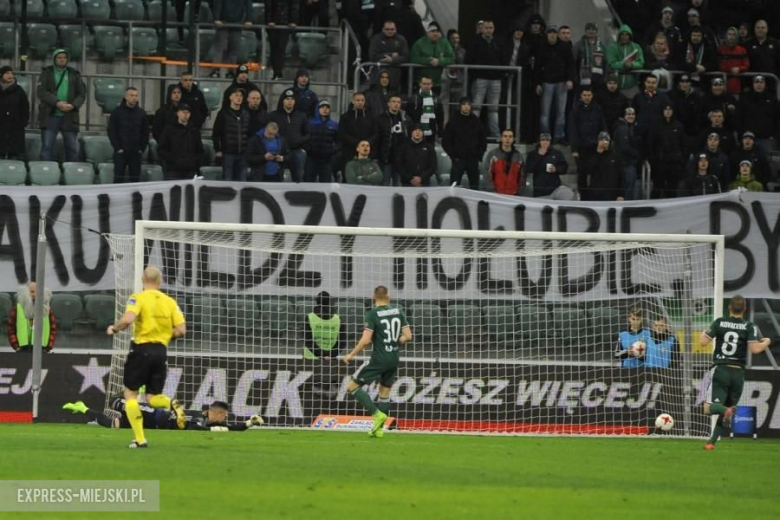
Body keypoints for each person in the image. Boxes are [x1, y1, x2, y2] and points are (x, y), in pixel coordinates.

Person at [106, 266, 187, 448]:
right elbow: (181, 330)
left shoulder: (138, 298)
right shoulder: (170, 302)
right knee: (152, 397)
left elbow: (127, 320)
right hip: (161, 351)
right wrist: (165, 336)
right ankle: (170, 403)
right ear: (160, 281)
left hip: (142, 349)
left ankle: (140, 439)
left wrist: (114, 328)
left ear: (143, 279)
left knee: (131, 394)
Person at [700, 295, 771, 449]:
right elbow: (755, 349)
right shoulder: (749, 326)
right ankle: (711, 444)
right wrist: (766, 342)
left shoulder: (719, 322)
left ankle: (725, 410)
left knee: (708, 408)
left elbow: (703, 342)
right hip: (738, 373)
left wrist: (703, 334)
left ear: (729, 308)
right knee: (729, 408)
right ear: (744, 309)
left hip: (721, 369)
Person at [341, 285, 411, 438]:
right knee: (384, 393)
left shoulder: (372, 314)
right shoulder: (398, 311)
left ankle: (376, 414)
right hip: (393, 357)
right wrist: (394, 342)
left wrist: (351, 354)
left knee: (351, 387)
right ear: (388, 297)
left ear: (374, 297)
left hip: (379, 358)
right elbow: (408, 336)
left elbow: (366, 340)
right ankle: (379, 430)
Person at [64, 397, 263, 431]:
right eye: (223, 416)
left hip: (153, 426)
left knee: (111, 425)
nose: (225, 419)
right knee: (117, 403)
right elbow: (192, 427)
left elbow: (233, 428)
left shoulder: (209, 425)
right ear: (214, 413)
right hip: (155, 415)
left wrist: (249, 423)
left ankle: (83, 408)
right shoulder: (198, 417)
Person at [37, 48, 86, 162]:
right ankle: (46, 174)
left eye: (64, 57)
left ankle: (71, 176)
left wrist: (73, 105)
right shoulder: (46, 73)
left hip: (69, 116)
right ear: (54, 59)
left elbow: (82, 94)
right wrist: (57, 103)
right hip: (50, 115)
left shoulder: (74, 74)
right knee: (47, 147)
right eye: (59, 57)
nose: (62, 60)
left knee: (72, 148)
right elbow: (41, 91)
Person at [534, 25, 575, 144]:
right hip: (546, 83)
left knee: (560, 112)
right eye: (550, 33)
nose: (552, 35)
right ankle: (545, 136)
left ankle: (558, 136)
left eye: (554, 33)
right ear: (547, 34)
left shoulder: (565, 47)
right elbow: (537, 67)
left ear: (557, 34)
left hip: (561, 83)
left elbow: (570, 65)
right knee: (545, 112)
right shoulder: (542, 47)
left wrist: (570, 79)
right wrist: (537, 83)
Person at [303, 291, 347, 395]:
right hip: (331, 360)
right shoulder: (339, 319)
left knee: (309, 398)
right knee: (330, 397)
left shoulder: (309, 317)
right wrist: (330, 354)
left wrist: (321, 354)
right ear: (330, 302)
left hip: (310, 359)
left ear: (316, 302)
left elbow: (308, 340)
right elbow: (342, 342)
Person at [467, 19, 504, 138]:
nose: (488, 30)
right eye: (486, 28)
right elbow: (469, 59)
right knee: (476, 107)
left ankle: (495, 134)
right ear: (482, 28)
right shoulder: (475, 42)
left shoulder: (498, 42)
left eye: (490, 28)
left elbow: (503, 59)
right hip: (480, 79)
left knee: (494, 109)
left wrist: (500, 74)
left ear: (494, 29)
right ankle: (472, 133)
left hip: (495, 79)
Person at [442, 96, 487, 190]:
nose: (466, 106)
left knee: (474, 188)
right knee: (454, 187)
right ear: (460, 106)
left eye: (468, 104)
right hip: (458, 160)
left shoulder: (477, 121)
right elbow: (446, 141)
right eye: (464, 104)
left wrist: (479, 156)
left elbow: (483, 140)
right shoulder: (453, 121)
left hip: (473, 160)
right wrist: (454, 156)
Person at [569, 86, 607, 195]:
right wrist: (574, 149)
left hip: (595, 147)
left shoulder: (597, 109)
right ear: (581, 96)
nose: (587, 97)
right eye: (584, 95)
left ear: (592, 96)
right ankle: (584, 196)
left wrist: (604, 141)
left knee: (597, 172)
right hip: (581, 147)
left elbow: (602, 126)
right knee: (582, 173)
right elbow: (572, 130)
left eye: (589, 95)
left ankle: (594, 195)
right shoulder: (575, 110)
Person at [108, 87, 149, 184]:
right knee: (118, 179)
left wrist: (141, 148)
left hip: (136, 152)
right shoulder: (116, 112)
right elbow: (111, 131)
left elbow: (145, 133)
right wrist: (117, 147)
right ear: (126, 97)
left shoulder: (142, 113)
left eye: (136, 95)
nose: (134, 98)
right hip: (121, 151)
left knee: (135, 180)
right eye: (132, 95)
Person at [269, 89, 309, 183]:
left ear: (295, 101)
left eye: (292, 99)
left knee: (298, 179)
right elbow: (268, 132)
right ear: (283, 100)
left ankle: (298, 197)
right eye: (287, 99)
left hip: (297, 151)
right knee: (277, 179)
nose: (289, 101)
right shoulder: (273, 116)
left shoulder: (302, 116)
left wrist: (301, 143)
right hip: (279, 152)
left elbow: (308, 133)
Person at [158, 103, 204, 180]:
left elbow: (199, 150)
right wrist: (172, 160)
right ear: (178, 113)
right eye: (183, 112)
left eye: (187, 112)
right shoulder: (169, 129)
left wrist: (193, 161)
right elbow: (162, 149)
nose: (185, 115)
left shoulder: (194, 130)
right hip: (172, 170)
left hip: (190, 170)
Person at [212, 87, 250, 181]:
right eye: (236, 95)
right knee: (227, 180)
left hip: (243, 154)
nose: (239, 98)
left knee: (242, 180)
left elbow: (248, 133)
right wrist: (218, 150)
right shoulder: (223, 114)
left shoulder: (246, 114)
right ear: (230, 97)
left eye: (241, 95)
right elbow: (216, 133)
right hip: (228, 153)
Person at [6, 282, 56, 353]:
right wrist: (16, 346)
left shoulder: (47, 309)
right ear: (26, 292)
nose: (34, 294)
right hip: (22, 349)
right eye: (32, 291)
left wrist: (48, 347)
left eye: (37, 291)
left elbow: (52, 329)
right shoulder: (18, 308)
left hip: (42, 349)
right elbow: (10, 328)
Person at [209, 0, 253, 78]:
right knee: (219, 48)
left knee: (234, 48)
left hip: (237, 23)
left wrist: (249, 19)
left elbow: (249, 5)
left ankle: (231, 71)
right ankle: (215, 70)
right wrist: (216, 18)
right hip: (222, 22)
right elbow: (216, 3)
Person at [737, 75, 780, 156]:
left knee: (767, 163)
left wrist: (774, 135)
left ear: (765, 84)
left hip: (766, 139)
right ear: (753, 84)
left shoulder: (772, 99)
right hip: (748, 138)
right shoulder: (745, 98)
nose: (759, 85)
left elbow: (777, 118)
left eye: (761, 82)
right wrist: (743, 133)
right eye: (756, 82)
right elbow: (738, 118)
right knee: (746, 163)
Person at [409, 21, 455, 94]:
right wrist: (428, 61)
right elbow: (413, 58)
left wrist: (439, 61)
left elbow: (452, 58)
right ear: (428, 32)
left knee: (435, 104)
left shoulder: (444, 43)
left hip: (436, 83)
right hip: (421, 83)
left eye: (437, 31)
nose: (435, 33)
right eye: (433, 31)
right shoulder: (419, 43)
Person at [377, 93, 412, 186]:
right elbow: (377, 138)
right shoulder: (380, 119)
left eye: (398, 102)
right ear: (388, 104)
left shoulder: (406, 120)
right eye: (393, 102)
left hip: (401, 159)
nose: (396, 104)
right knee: (384, 184)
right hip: (385, 158)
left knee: (398, 185)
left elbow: (409, 139)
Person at [525, 133, 572, 199]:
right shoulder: (532, 155)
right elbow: (529, 168)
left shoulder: (557, 153)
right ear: (539, 142)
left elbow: (564, 167)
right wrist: (539, 156)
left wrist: (556, 169)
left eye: (547, 140)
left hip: (555, 188)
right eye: (543, 140)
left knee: (568, 193)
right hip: (540, 191)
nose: (545, 142)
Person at [304, 99, 339, 182]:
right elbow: (304, 138)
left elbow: (339, 141)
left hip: (327, 159)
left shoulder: (334, 124)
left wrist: (333, 150)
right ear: (318, 109)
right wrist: (308, 148)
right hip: (312, 158)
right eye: (322, 107)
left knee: (326, 183)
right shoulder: (310, 123)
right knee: (308, 182)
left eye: (327, 107)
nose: (325, 109)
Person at [584, 132, 624, 201]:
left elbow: (621, 176)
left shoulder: (615, 156)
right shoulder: (592, 155)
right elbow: (589, 170)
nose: (604, 142)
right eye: (601, 140)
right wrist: (598, 153)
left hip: (612, 195)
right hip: (595, 195)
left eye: (606, 140)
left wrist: (620, 195)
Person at [368, 20, 409, 89]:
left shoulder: (401, 39)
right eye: (387, 29)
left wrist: (393, 60)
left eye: (392, 29)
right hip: (377, 75)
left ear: (396, 30)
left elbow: (406, 57)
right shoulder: (376, 39)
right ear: (383, 29)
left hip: (395, 77)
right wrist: (390, 54)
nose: (390, 31)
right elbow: (372, 56)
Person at [482, 128, 524, 195]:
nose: (507, 139)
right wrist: (492, 191)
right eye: (505, 136)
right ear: (501, 138)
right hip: (496, 195)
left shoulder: (519, 156)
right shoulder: (492, 154)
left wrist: (518, 192)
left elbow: (522, 176)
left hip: (514, 195)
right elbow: (486, 173)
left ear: (513, 139)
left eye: (510, 137)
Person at [0, 65, 29, 160]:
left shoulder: (19, 90)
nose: (10, 75)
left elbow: (25, 107)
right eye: (7, 73)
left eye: (11, 73)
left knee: (15, 153)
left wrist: (23, 122)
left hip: (16, 127)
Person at [606, 25, 645, 97]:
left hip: (632, 86)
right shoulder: (613, 47)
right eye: (622, 34)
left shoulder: (636, 47)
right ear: (619, 35)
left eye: (627, 34)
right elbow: (611, 63)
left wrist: (632, 65)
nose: (624, 36)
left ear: (630, 36)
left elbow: (641, 63)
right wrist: (623, 64)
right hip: (617, 86)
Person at [265, 0, 300, 80]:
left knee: (281, 48)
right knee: (273, 48)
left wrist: (294, 21)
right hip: (272, 25)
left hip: (285, 24)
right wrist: (269, 20)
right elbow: (268, 5)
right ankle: (274, 70)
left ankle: (278, 71)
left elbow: (294, 6)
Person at [404, 75, 444, 142]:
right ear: (420, 84)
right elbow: (408, 116)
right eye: (424, 84)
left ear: (432, 85)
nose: (426, 86)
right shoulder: (412, 99)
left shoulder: (437, 99)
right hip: (415, 133)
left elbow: (440, 118)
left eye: (428, 84)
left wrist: (440, 134)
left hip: (431, 134)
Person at [573, 22, 607, 89]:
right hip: (582, 78)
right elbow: (573, 61)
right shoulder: (579, 45)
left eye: (593, 29)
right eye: (588, 29)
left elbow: (606, 63)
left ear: (596, 31)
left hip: (598, 79)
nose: (591, 31)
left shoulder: (602, 46)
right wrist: (575, 77)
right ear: (585, 31)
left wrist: (605, 77)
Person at [718, 27, 749, 95]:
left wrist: (739, 69)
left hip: (737, 84)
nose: (731, 37)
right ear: (726, 36)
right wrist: (731, 69)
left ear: (737, 36)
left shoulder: (742, 50)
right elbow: (719, 65)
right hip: (722, 84)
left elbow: (746, 65)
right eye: (729, 34)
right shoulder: (721, 49)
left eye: (733, 35)